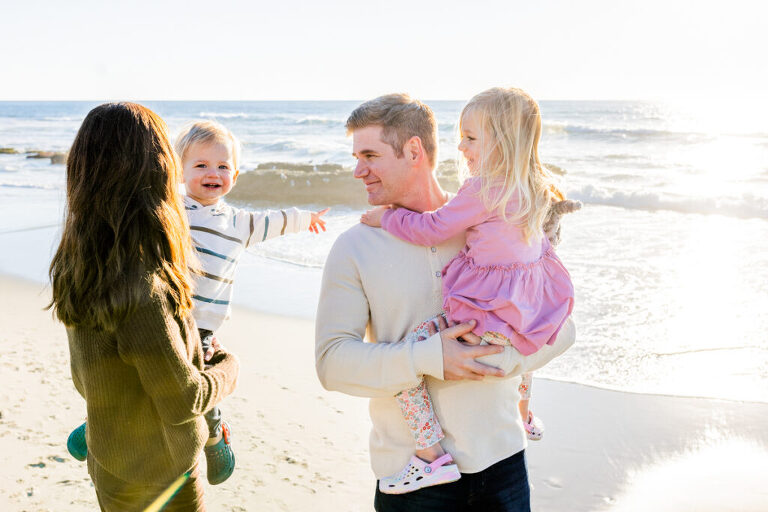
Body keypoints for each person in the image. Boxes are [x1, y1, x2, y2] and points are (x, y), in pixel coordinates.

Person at [315, 93, 576, 511]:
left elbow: (562, 325)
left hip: (504, 465)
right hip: (414, 481)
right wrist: (429, 358)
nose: (357, 170)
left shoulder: (497, 220)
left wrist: (505, 360)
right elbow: (332, 364)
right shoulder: (354, 247)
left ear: (413, 150)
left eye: (369, 155)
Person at [66, 119, 329, 485]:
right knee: (138, 377)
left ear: (235, 175)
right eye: (201, 165)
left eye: (223, 166)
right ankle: (94, 424)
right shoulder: (170, 208)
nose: (213, 173)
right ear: (180, 169)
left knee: (198, 380)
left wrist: (306, 219)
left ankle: (214, 436)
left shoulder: (240, 223)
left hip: (203, 324)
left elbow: (274, 220)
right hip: (163, 311)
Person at [50, 102, 240, 511]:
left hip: (110, 461)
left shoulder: (79, 260)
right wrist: (226, 368)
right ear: (157, 171)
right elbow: (182, 399)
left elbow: (88, 378)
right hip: (164, 475)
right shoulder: (142, 281)